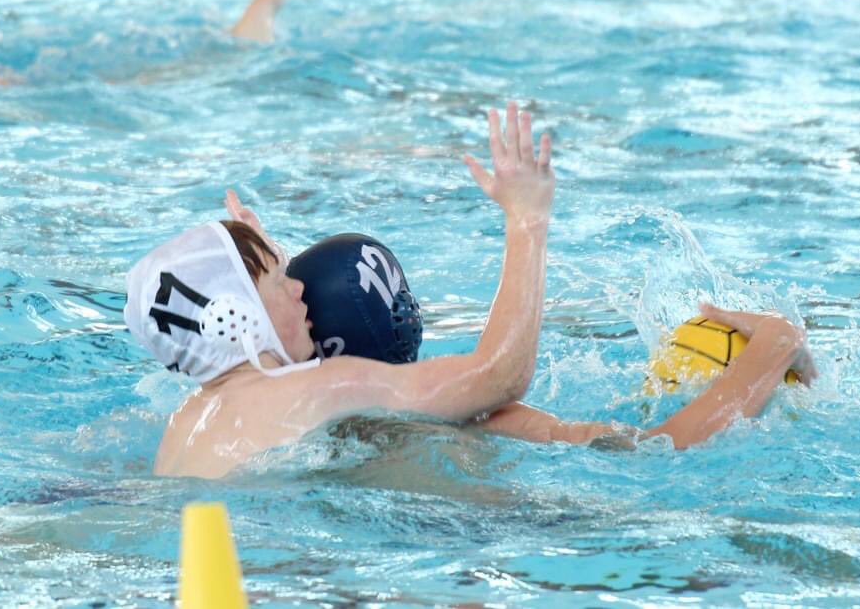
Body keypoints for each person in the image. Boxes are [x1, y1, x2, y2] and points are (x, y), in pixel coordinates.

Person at [126, 102, 554, 479]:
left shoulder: (183, 423)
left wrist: (254, 260)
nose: (299, 288)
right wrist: (526, 220)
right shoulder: (322, 387)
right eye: (280, 279)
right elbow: (499, 376)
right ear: (234, 318)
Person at [234, 200, 819, 452]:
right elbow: (664, 448)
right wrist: (773, 346)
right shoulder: (483, 416)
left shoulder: (277, 421)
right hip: (510, 533)